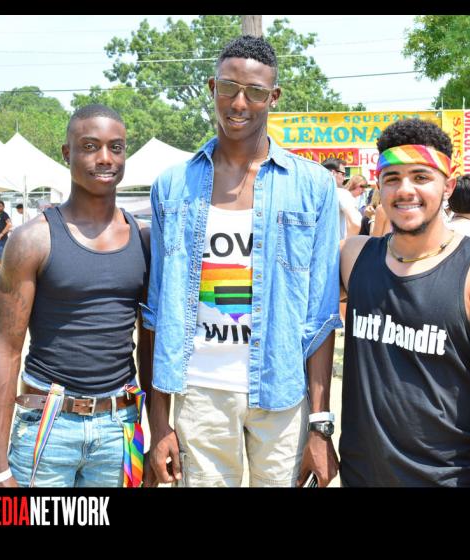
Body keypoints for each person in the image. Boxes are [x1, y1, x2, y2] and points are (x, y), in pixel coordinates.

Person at [145, 35, 342, 488]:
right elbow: (156, 311)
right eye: (229, 88)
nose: (239, 103)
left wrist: (320, 425)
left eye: (254, 92)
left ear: (273, 97)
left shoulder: (312, 186)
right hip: (200, 391)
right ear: (212, 87)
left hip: (282, 392)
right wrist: (159, 423)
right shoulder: (172, 186)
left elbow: (321, 315)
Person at [339, 118, 470, 486]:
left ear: (449, 185)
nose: (405, 190)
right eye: (392, 178)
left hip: (448, 478)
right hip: (360, 476)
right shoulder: (354, 258)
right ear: (379, 186)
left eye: (421, 177)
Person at [0, 104, 153, 487]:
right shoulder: (33, 240)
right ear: (67, 153)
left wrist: (157, 431)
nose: (105, 158)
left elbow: (151, 345)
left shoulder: (144, 240)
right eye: (90, 146)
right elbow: (4, 350)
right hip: (47, 424)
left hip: (120, 426)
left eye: (116, 147)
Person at [322, 157, 361, 239]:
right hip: (337, 244)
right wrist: (346, 243)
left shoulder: (313, 193)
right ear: (333, 173)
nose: (344, 177)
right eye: (343, 174)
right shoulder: (341, 193)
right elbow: (356, 222)